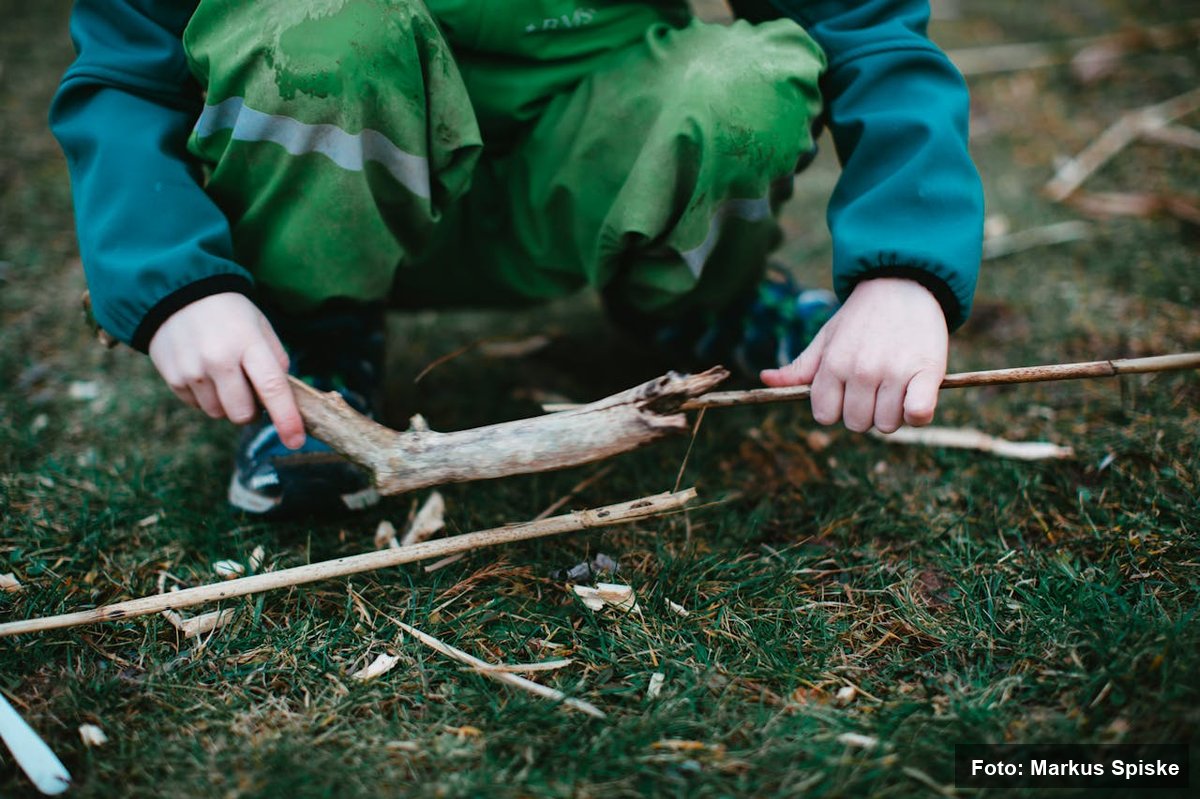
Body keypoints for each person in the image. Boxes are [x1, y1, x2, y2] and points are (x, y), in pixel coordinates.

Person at [51, 0, 983, 515]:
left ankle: (703, 303)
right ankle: (315, 345)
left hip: (591, 175)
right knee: (315, 36)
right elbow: (128, 72)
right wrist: (178, 284)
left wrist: (904, 267)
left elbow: (871, 30)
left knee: (739, 86)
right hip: (339, 187)